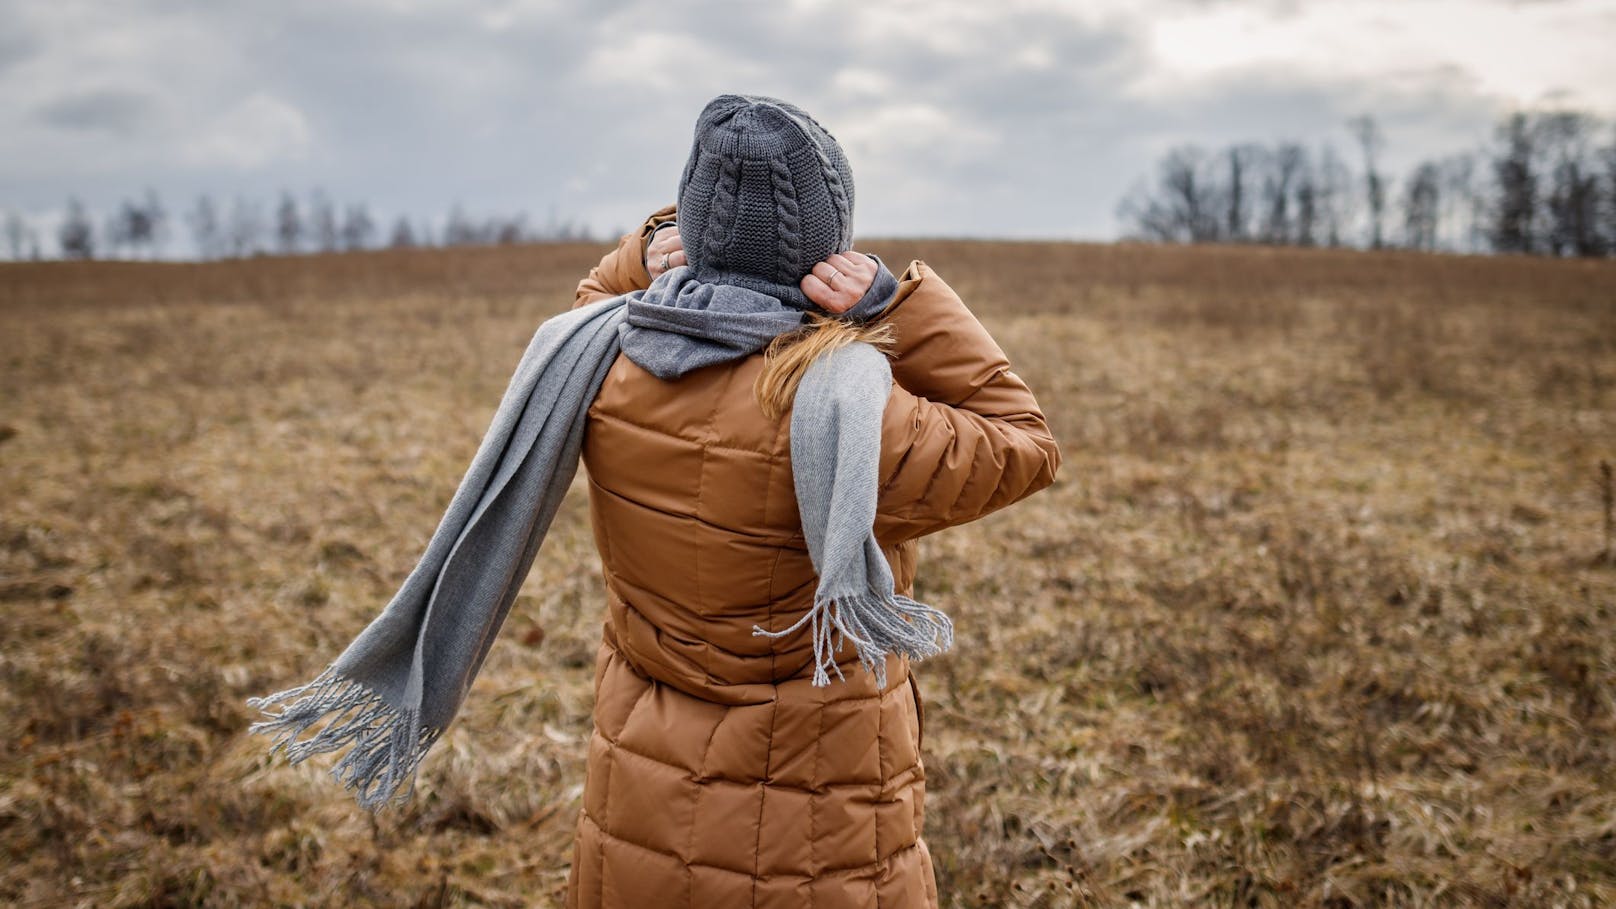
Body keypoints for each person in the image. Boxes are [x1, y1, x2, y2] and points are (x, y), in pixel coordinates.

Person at [561, 96, 1062, 907]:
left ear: (695, 228)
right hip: (815, 837)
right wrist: (899, 304)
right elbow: (1023, 441)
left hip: (639, 804)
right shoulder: (851, 412)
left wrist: (645, 252)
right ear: (827, 247)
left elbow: (590, 297)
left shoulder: (603, 368)